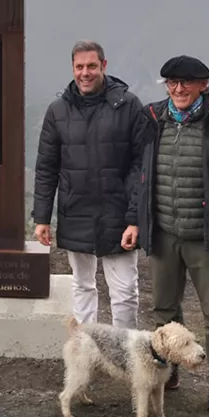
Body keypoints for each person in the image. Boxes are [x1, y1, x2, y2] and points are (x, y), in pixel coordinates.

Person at [133, 55, 209, 412]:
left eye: (187, 82)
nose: (178, 89)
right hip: (164, 234)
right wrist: (138, 220)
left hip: (208, 238)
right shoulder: (153, 119)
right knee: (164, 310)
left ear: (204, 85)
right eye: (172, 82)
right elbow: (139, 171)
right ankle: (168, 369)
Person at [32, 40, 147, 329]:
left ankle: (124, 355)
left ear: (104, 66)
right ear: (72, 68)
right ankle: (87, 351)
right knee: (82, 286)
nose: (86, 73)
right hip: (76, 211)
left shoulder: (129, 105)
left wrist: (135, 217)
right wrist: (42, 217)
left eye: (92, 66)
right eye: (80, 67)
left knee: (123, 293)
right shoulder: (57, 111)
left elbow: (142, 165)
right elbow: (47, 167)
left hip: (118, 215)